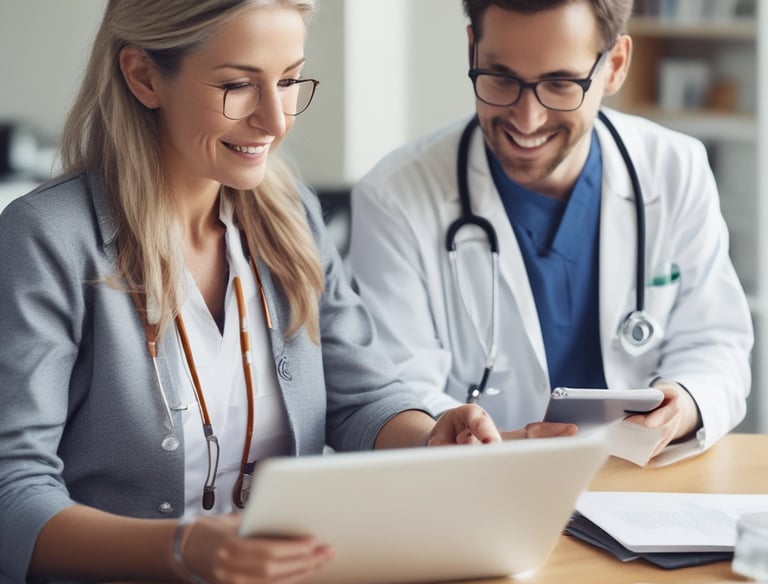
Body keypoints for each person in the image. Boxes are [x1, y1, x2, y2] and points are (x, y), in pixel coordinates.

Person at [0, 1, 576, 583]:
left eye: (289, 80)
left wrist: (431, 438)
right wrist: (183, 550)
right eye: (237, 86)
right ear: (144, 76)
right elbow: (12, 495)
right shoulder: (47, 238)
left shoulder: (290, 217)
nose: (276, 121)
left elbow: (360, 399)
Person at [348, 0, 753, 466]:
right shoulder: (394, 195)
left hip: (635, 481)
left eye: (560, 84)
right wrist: (465, 436)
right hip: (482, 484)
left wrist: (685, 402)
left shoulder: (674, 168)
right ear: (472, 52)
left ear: (615, 65)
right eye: (501, 78)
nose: (527, 119)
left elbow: (715, 343)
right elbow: (399, 383)